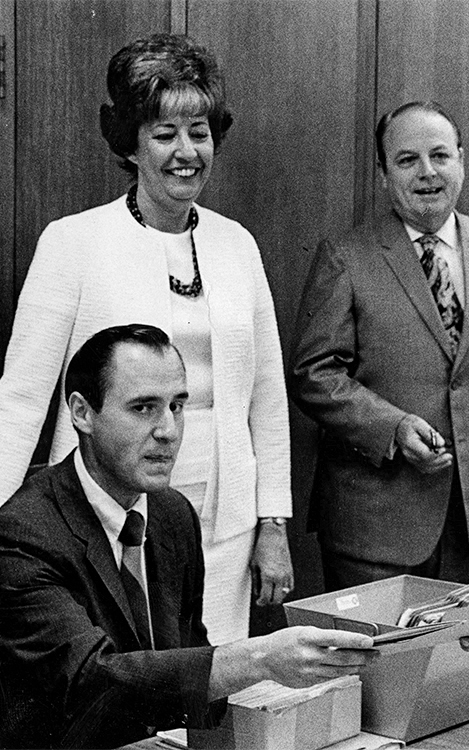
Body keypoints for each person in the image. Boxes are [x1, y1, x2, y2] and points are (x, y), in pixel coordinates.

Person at [0, 34, 292, 644]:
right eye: (164, 134)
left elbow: (267, 393)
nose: (186, 151)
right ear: (130, 143)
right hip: (105, 518)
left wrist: (273, 520)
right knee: (122, 690)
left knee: (214, 682)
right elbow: (21, 400)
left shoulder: (237, 244)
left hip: (225, 519)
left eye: (200, 131)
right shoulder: (72, 243)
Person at [0, 325, 376, 750]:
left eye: (177, 406)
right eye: (143, 408)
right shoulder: (22, 535)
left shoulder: (171, 514)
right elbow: (92, 681)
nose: (169, 430)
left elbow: (188, 669)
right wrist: (260, 659)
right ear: (82, 413)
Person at [290, 101, 469, 590]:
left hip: (468, 520)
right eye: (407, 160)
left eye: (440, 156)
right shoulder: (346, 256)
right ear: (384, 174)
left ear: (461, 161)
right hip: (373, 525)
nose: (427, 172)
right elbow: (312, 372)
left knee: (454, 663)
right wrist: (393, 426)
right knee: (377, 664)